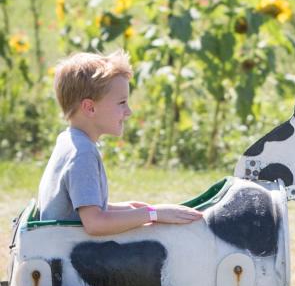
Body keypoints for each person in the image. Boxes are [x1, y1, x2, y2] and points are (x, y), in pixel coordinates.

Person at [37, 50, 203, 235]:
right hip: (66, 254)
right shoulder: (82, 153)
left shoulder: (69, 140)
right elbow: (95, 223)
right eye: (122, 102)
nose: (129, 111)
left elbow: (77, 208)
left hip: (55, 244)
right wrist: (152, 214)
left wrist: (128, 210)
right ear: (90, 107)